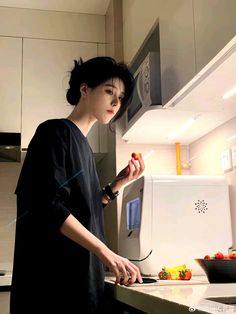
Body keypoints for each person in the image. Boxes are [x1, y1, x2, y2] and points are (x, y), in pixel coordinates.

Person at [10, 56, 145, 314]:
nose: (116, 102)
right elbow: (47, 205)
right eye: (109, 91)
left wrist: (117, 184)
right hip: (52, 289)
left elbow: (85, 210)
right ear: (85, 89)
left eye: (121, 96)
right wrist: (107, 252)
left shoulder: (84, 147)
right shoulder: (54, 132)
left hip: (80, 283)